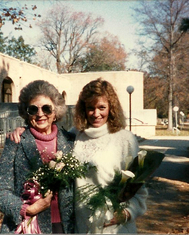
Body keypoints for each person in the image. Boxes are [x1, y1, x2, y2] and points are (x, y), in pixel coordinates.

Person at [8, 78, 148, 234]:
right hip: (79, 226)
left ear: (111, 108)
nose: (96, 113)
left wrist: (126, 213)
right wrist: (23, 131)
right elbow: (46, 133)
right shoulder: (75, 135)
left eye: (102, 107)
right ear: (83, 109)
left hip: (113, 226)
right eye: (90, 108)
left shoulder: (126, 140)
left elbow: (139, 189)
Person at [0, 80, 75, 234]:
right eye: (33, 109)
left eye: (46, 108)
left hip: (65, 227)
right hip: (27, 226)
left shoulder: (70, 141)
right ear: (26, 112)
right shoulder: (16, 142)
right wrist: (26, 209)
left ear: (55, 112)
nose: (40, 113)